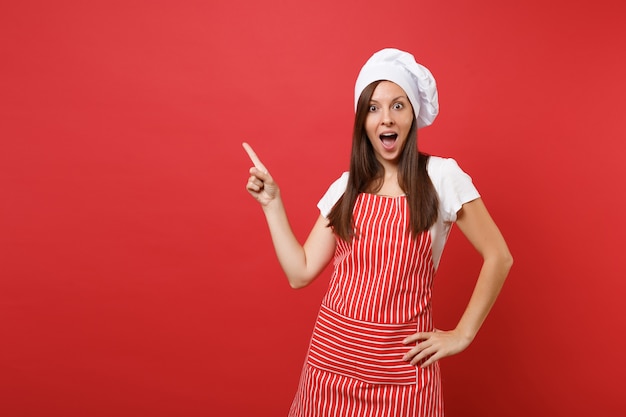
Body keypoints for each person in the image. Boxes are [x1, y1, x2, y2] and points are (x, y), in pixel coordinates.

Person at [243, 48, 513, 417]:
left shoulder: (441, 177)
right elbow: (299, 272)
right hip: (330, 369)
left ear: (413, 115)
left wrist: (462, 334)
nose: (386, 118)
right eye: (373, 108)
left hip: (403, 374)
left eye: (397, 106)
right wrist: (271, 204)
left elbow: (499, 256)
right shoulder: (347, 186)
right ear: (362, 121)